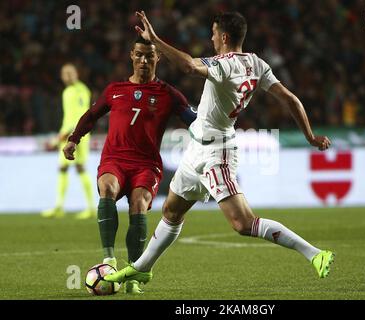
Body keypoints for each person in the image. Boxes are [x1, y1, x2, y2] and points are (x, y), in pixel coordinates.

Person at [105, 11, 334, 286]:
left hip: (217, 154)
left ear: (224, 37)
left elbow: (189, 66)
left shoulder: (222, 64)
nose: (211, 38)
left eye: (213, 33)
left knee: (243, 223)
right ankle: (142, 268)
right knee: (171, 211)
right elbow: (291, 99)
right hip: (197, 151)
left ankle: (315, 254)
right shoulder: (257, 64)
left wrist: (155, 39)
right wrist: (310, 136)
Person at [62, 36, 196, 294]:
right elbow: (91, 115)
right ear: (131, 56)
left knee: (139, 203)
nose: (144, 60)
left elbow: (194, 121)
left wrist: (213, 134)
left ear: (158, 58)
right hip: (115, 159)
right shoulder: (115, 89)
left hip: (146, 164)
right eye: (139, 55)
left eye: (149, 56)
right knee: (107, 187)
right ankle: (109, 259)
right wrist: (74, 140)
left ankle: (133, 273)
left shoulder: (168, 94)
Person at [41, 63, 96, 220]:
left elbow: (79, 115)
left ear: (76, 74)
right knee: (63, 168)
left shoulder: (78, 91)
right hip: (68, 134)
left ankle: (91, 207)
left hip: (76, 135)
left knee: (80, 167)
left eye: (71, 72)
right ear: (62, 76)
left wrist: (65, 135)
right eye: (65, 73)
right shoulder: (72, 91)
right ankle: (59, 206)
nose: (68, 76)